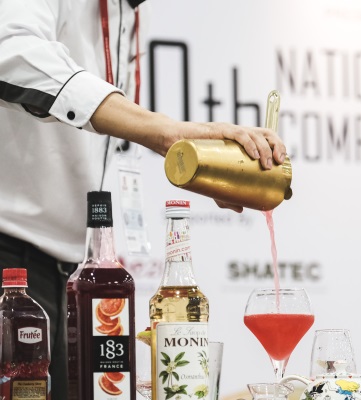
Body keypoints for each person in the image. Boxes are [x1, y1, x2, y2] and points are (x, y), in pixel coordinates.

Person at [0, 1, 286, 399]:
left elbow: (101, 123)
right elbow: (10, 50)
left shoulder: (135, 12)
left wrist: (205, 163)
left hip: (73, 272)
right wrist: (163, 130)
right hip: (12, 264)